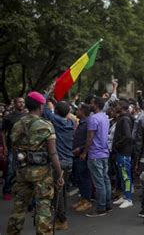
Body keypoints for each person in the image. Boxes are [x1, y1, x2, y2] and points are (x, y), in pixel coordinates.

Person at [6, 92, 64, 234]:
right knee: (43, 210)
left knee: (18, 208)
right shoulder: (45, 125)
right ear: (41, 106)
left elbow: (14, 148)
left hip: (23, 172)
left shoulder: (17, 125)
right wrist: (60, 173)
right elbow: (53, 153)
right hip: (42, 174)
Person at [42, 95, 75, 230]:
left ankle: (62, 220)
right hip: (68, 162)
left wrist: (47, 93)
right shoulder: (70, 123)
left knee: (57, 192)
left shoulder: (54, 120)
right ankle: (62, 217)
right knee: (62, 190)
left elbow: (43, 108)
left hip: (58, 163)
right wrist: (56, 103)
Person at [81, 96, 112, 217]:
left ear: (96, 105)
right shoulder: (105, 117)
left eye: (92, 103)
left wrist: (84, 152)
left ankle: (101, 208)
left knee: (99, 182)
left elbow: (90, 137)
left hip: (95, 154)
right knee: (105, 180)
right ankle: (107, 205)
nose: (90, 104)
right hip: (104, 153)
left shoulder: (93, 118)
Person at [2, 97, 27, 200]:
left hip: (25, 148)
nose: (21, 104)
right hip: (12, 147)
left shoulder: (27, 116)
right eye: (19, 102)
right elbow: (3, 132)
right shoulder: (8, 117)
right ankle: (7, 190)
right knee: (11, 170)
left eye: (23, 102)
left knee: (23, 170)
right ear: (15, 104)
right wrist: (5, 147)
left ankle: (19, 191)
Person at [112, 99, 134, 209]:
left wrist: (117, 145)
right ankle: (124, 196)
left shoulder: (125, 119)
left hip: (124, 152)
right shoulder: (123, 118)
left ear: (122, 106)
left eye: (117, 105)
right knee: (122, 175)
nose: (115, 107)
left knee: (126, 176)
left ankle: (128, 198)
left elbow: (128, 136)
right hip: (121, 151)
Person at [72, 104, 93, 212]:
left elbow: (89, 139)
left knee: (85, 178)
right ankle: (83, 199)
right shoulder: (82, 122)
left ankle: (87, 201)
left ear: (83, 111)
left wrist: (81, 149)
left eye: (78, 109)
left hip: (82, 155)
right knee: (79, 178)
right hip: (76, 154)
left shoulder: (88, 123)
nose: (76, 111)